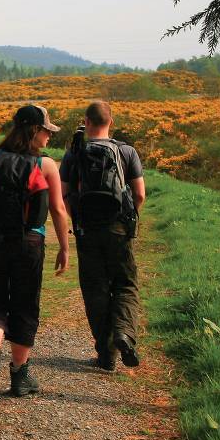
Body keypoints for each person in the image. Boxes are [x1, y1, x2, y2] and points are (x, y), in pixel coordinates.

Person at [0, 104, 70, 397]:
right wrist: (65, 248)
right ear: (34, 130)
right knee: (24, 305)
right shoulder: (46, 165)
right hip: (29, 243)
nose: (49, 136)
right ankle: (19, 375)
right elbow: (59, 210)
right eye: (47, 131)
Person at [60, 100, 146, 370]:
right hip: (119, 227)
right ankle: (123, 333)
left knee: (95, 289)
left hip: (87, 230)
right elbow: (140, 194)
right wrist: (128, 217)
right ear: (112, 121)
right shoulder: (126, 151)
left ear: (86, 121)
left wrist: (77, 219)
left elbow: (63, 195)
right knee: (125, 284)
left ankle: (106, 355)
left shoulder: (75, 153)